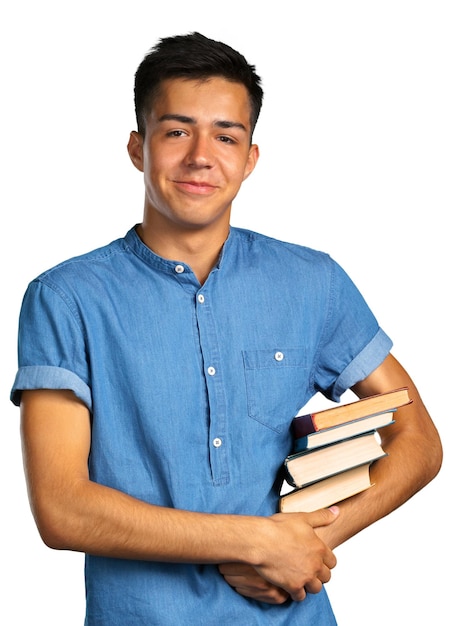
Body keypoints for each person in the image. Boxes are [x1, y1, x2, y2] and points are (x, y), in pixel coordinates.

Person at [11, 32, 442, 625]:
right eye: (176, 131)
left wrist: (312, 539)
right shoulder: (66, 298)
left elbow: (416, 438)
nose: (200, 156)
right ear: (138, 148)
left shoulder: (312, 281)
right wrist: (253, 541)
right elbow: (63, 509)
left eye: (225, 135)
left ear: (250, 158)